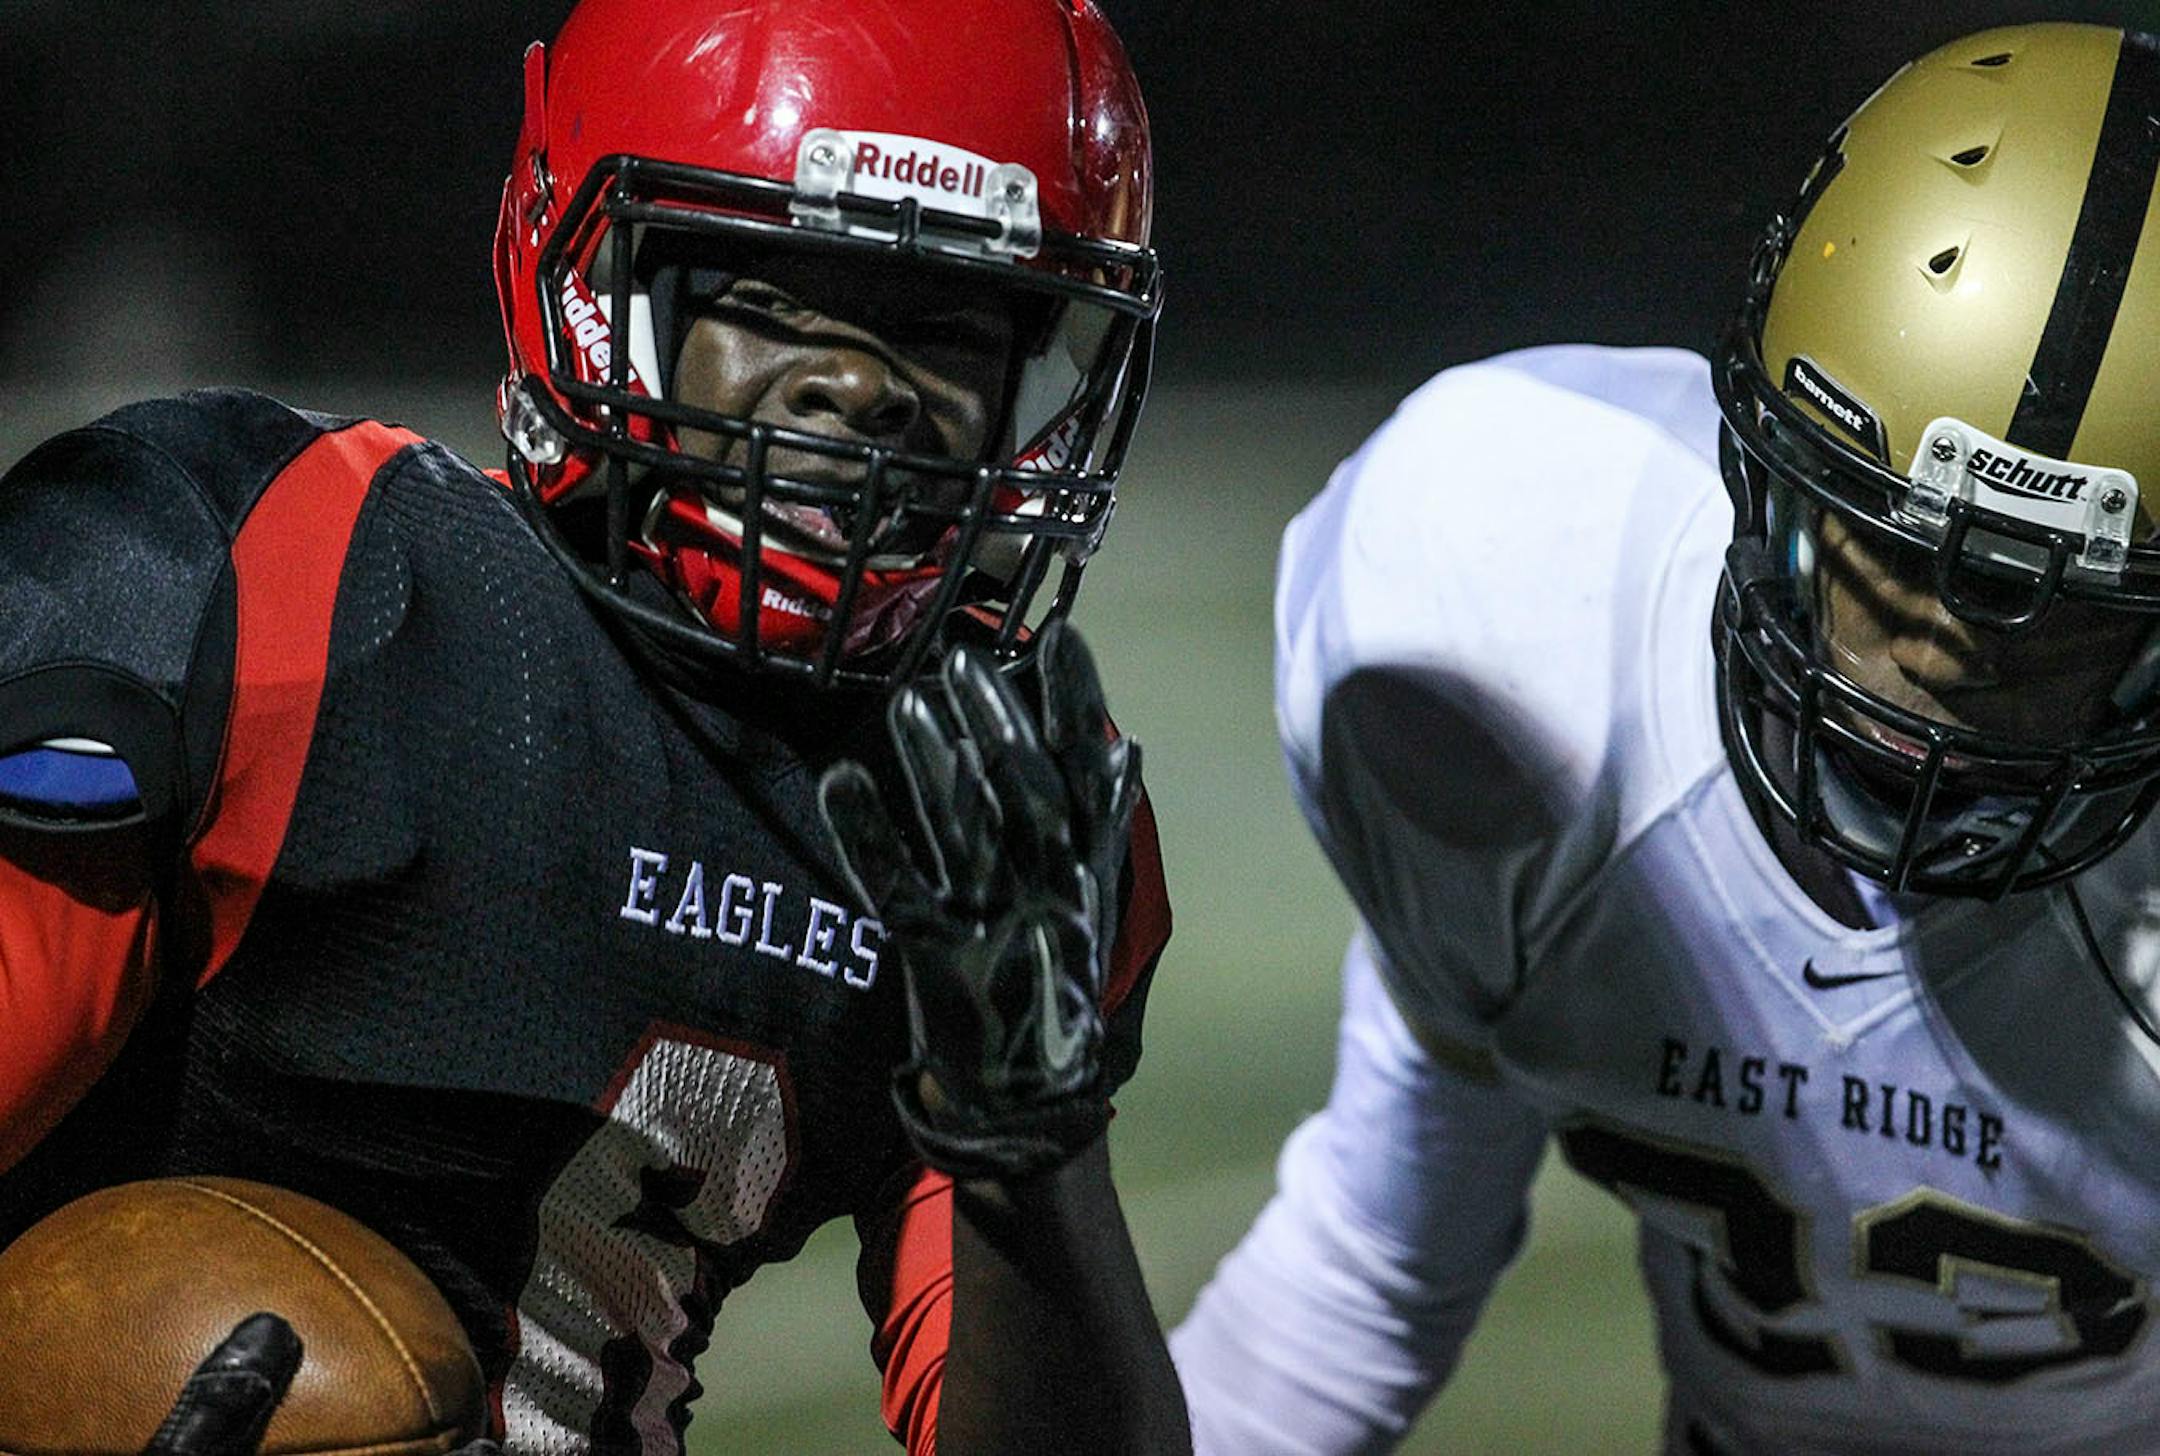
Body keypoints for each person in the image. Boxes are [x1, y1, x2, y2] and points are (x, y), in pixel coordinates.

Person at [0, 1, 1188, 1452]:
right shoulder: (289, 582)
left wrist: (1026, 1141)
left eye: (945, 328)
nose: (862, 388)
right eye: (767, 296)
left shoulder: (979, 809)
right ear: (593, 286)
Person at [1172, 20, 2160, 1454]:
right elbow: (1368, 1273)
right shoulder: (1520, 613)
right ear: (1760, 459)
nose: (1949, 641)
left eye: (2045, 602)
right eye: (1891, 545)